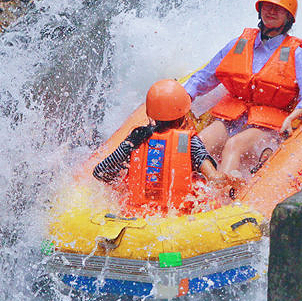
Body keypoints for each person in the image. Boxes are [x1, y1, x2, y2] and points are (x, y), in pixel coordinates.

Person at [183, 0, 302, 177]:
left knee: (234, 145)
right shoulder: (238, 43)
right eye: (267, 6)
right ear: (259, 9)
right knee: (197, 143)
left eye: (278, 9)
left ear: (288, 17)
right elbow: (205, 77)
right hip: (232, 118)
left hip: (267, 125)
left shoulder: (295, 53)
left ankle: (220, 197)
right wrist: (183, 96)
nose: (271, 12)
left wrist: (292, 117)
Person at [93, 79, 238, 214]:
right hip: (178, 213)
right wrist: (235, 182)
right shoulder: (188, 142)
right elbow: (214, 178)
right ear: (183, 115)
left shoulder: (135, 139)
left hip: (138, 213)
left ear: (150, 114)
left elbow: (100, 172)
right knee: (208, 195)